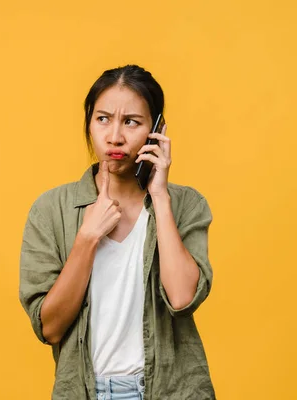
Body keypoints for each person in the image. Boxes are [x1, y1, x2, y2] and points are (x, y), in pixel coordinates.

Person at [19, 64, 215, 400]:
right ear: (89, 123)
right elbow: (49, 328)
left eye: (132, 122)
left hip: (172, 391)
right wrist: (87, 239)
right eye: (103, 119)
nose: (115, 137)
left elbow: (182, 298)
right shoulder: (51, 210)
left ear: (157, 129)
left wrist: (160, 198)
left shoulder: (186, 204)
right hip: (85, 392)